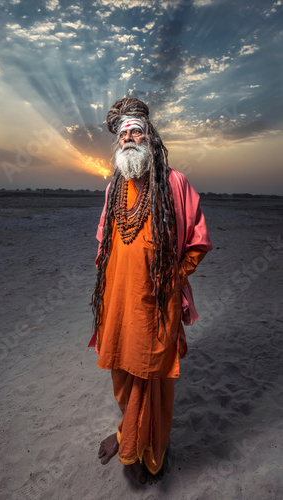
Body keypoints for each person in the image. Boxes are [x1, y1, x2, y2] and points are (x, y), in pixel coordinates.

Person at [89, 97, 213, 485]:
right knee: (123, 374)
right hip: (118, 302)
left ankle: (152, 453)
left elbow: (197, 241)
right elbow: (103, 246)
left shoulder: (174, 183)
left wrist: (174, 279)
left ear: (149, 137)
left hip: (157, 305)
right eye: (123, 133)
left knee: (154, 380)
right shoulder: (114, 190)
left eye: (135, 131)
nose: (128, 138)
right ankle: (128, 431)